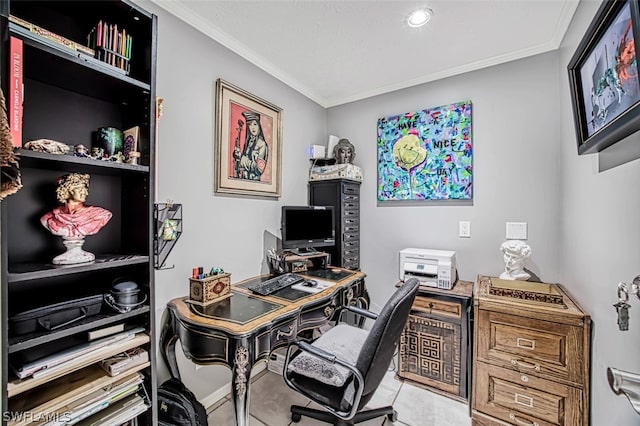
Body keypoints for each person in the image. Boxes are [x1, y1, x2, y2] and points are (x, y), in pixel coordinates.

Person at [40, 173, 112, 238]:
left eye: (85, 189)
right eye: (80, 189)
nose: (85, 193)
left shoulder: (99, 214)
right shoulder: (50, 217)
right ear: (67, 190)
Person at [235, 111, 268, 181]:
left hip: (254, 182)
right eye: (250, 125)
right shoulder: (249, 142)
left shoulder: (262, 144)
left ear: (259, 126)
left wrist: (242, 159)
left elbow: (259, 169)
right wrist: (237, 155)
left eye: (255, 124)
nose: (252, 128)